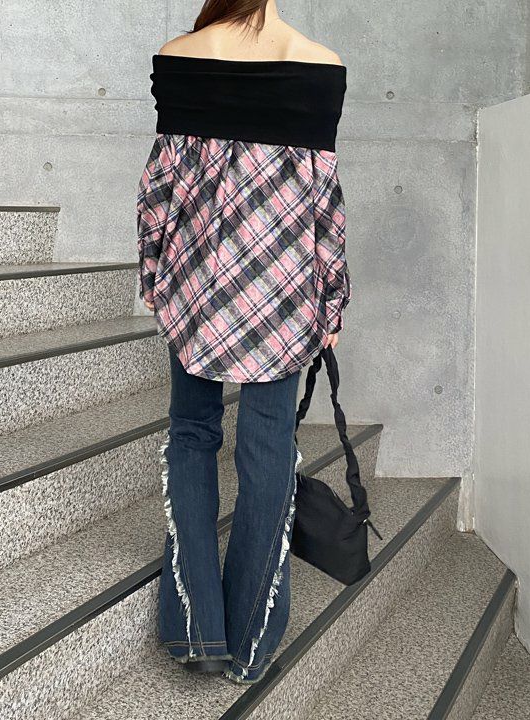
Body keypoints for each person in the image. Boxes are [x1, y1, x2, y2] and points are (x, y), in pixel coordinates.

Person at [136, 0, 351, 685]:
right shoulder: (319, 65)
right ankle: (252, 643)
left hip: (196, 282)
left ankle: (198, 628)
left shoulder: (183, 55)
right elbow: (324, 204)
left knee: (193, 433)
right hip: (282, 291)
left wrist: (152, 271)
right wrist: (332, 296)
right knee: (268, 449)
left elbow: (158, 189)